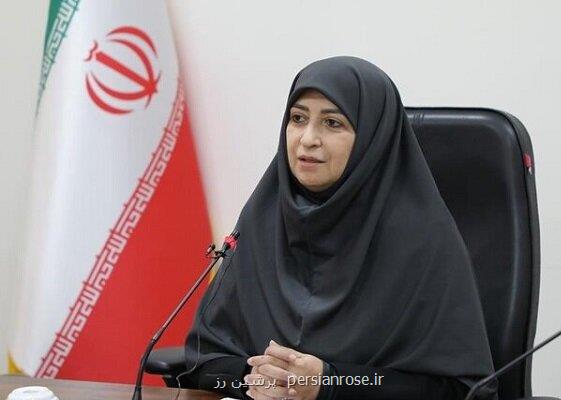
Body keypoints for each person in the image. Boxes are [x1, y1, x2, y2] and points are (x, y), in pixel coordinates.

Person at [184, 56, 498, 400]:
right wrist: (249, 378)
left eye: (332, 123)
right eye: (298, 118)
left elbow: (460, 391)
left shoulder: (422, 242)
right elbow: (200, 361)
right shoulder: (263, 219)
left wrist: (333, 384)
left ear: (371, 140)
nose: (307, 139)